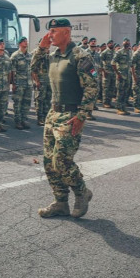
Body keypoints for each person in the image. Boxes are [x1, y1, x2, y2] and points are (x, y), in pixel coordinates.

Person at [32, 18, 97, 219]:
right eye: (49, 32)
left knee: (61, 160)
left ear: (66, 33)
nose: (50, 35)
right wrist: (41, 49)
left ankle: (81, 192)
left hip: (70, 114)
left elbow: (91, 87)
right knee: (49, 162)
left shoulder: (80, 56)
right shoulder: (53, 56)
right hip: (53, 113)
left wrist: (82, 116)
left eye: (53, 31)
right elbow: (35, 71)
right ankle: (61, 202)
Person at [10, 36, 33, 130]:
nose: (26, 43)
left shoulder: (29, 55)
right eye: (24, 41)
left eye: (26, 41)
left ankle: (24, 120)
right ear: (19, 44)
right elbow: (12, 71)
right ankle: (18, 121)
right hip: (19, 83)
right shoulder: (15, 56)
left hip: (28, 83)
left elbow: (31, 70)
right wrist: (13, 84)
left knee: (27, 103)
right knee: (18, 103)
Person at [31, 40, 52, 126]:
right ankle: (40, 118)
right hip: (41, 80)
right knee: (40, 99)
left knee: (48, 99)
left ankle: (46, 117)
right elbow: (33, 69)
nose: (48, 46)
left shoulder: (49, 55)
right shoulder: (36, 54)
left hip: (49, 81)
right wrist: (36, 81)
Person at [112, 37, 132, 115]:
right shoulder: (119, 52)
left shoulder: (130, 52)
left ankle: (123, 107)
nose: (127, 43)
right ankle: (119, 108)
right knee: (120, 92)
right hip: (121, 75)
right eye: (126, 42)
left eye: (128, 42)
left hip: (127, 75)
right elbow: (113, 63)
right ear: (123, 43)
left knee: (126, 92)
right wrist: (117, 73)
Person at [100, 39, 116, 108]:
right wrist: (103, 71)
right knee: (106, 88)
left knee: (111, 88)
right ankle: (105, 103)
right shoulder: (105, 52)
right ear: (108, 44)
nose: (111, 44)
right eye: (110, 43)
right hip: (106, 72)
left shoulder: (115, 52)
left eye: (112, 43)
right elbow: (100, 61)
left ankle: (109, 102)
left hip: (113, 72)